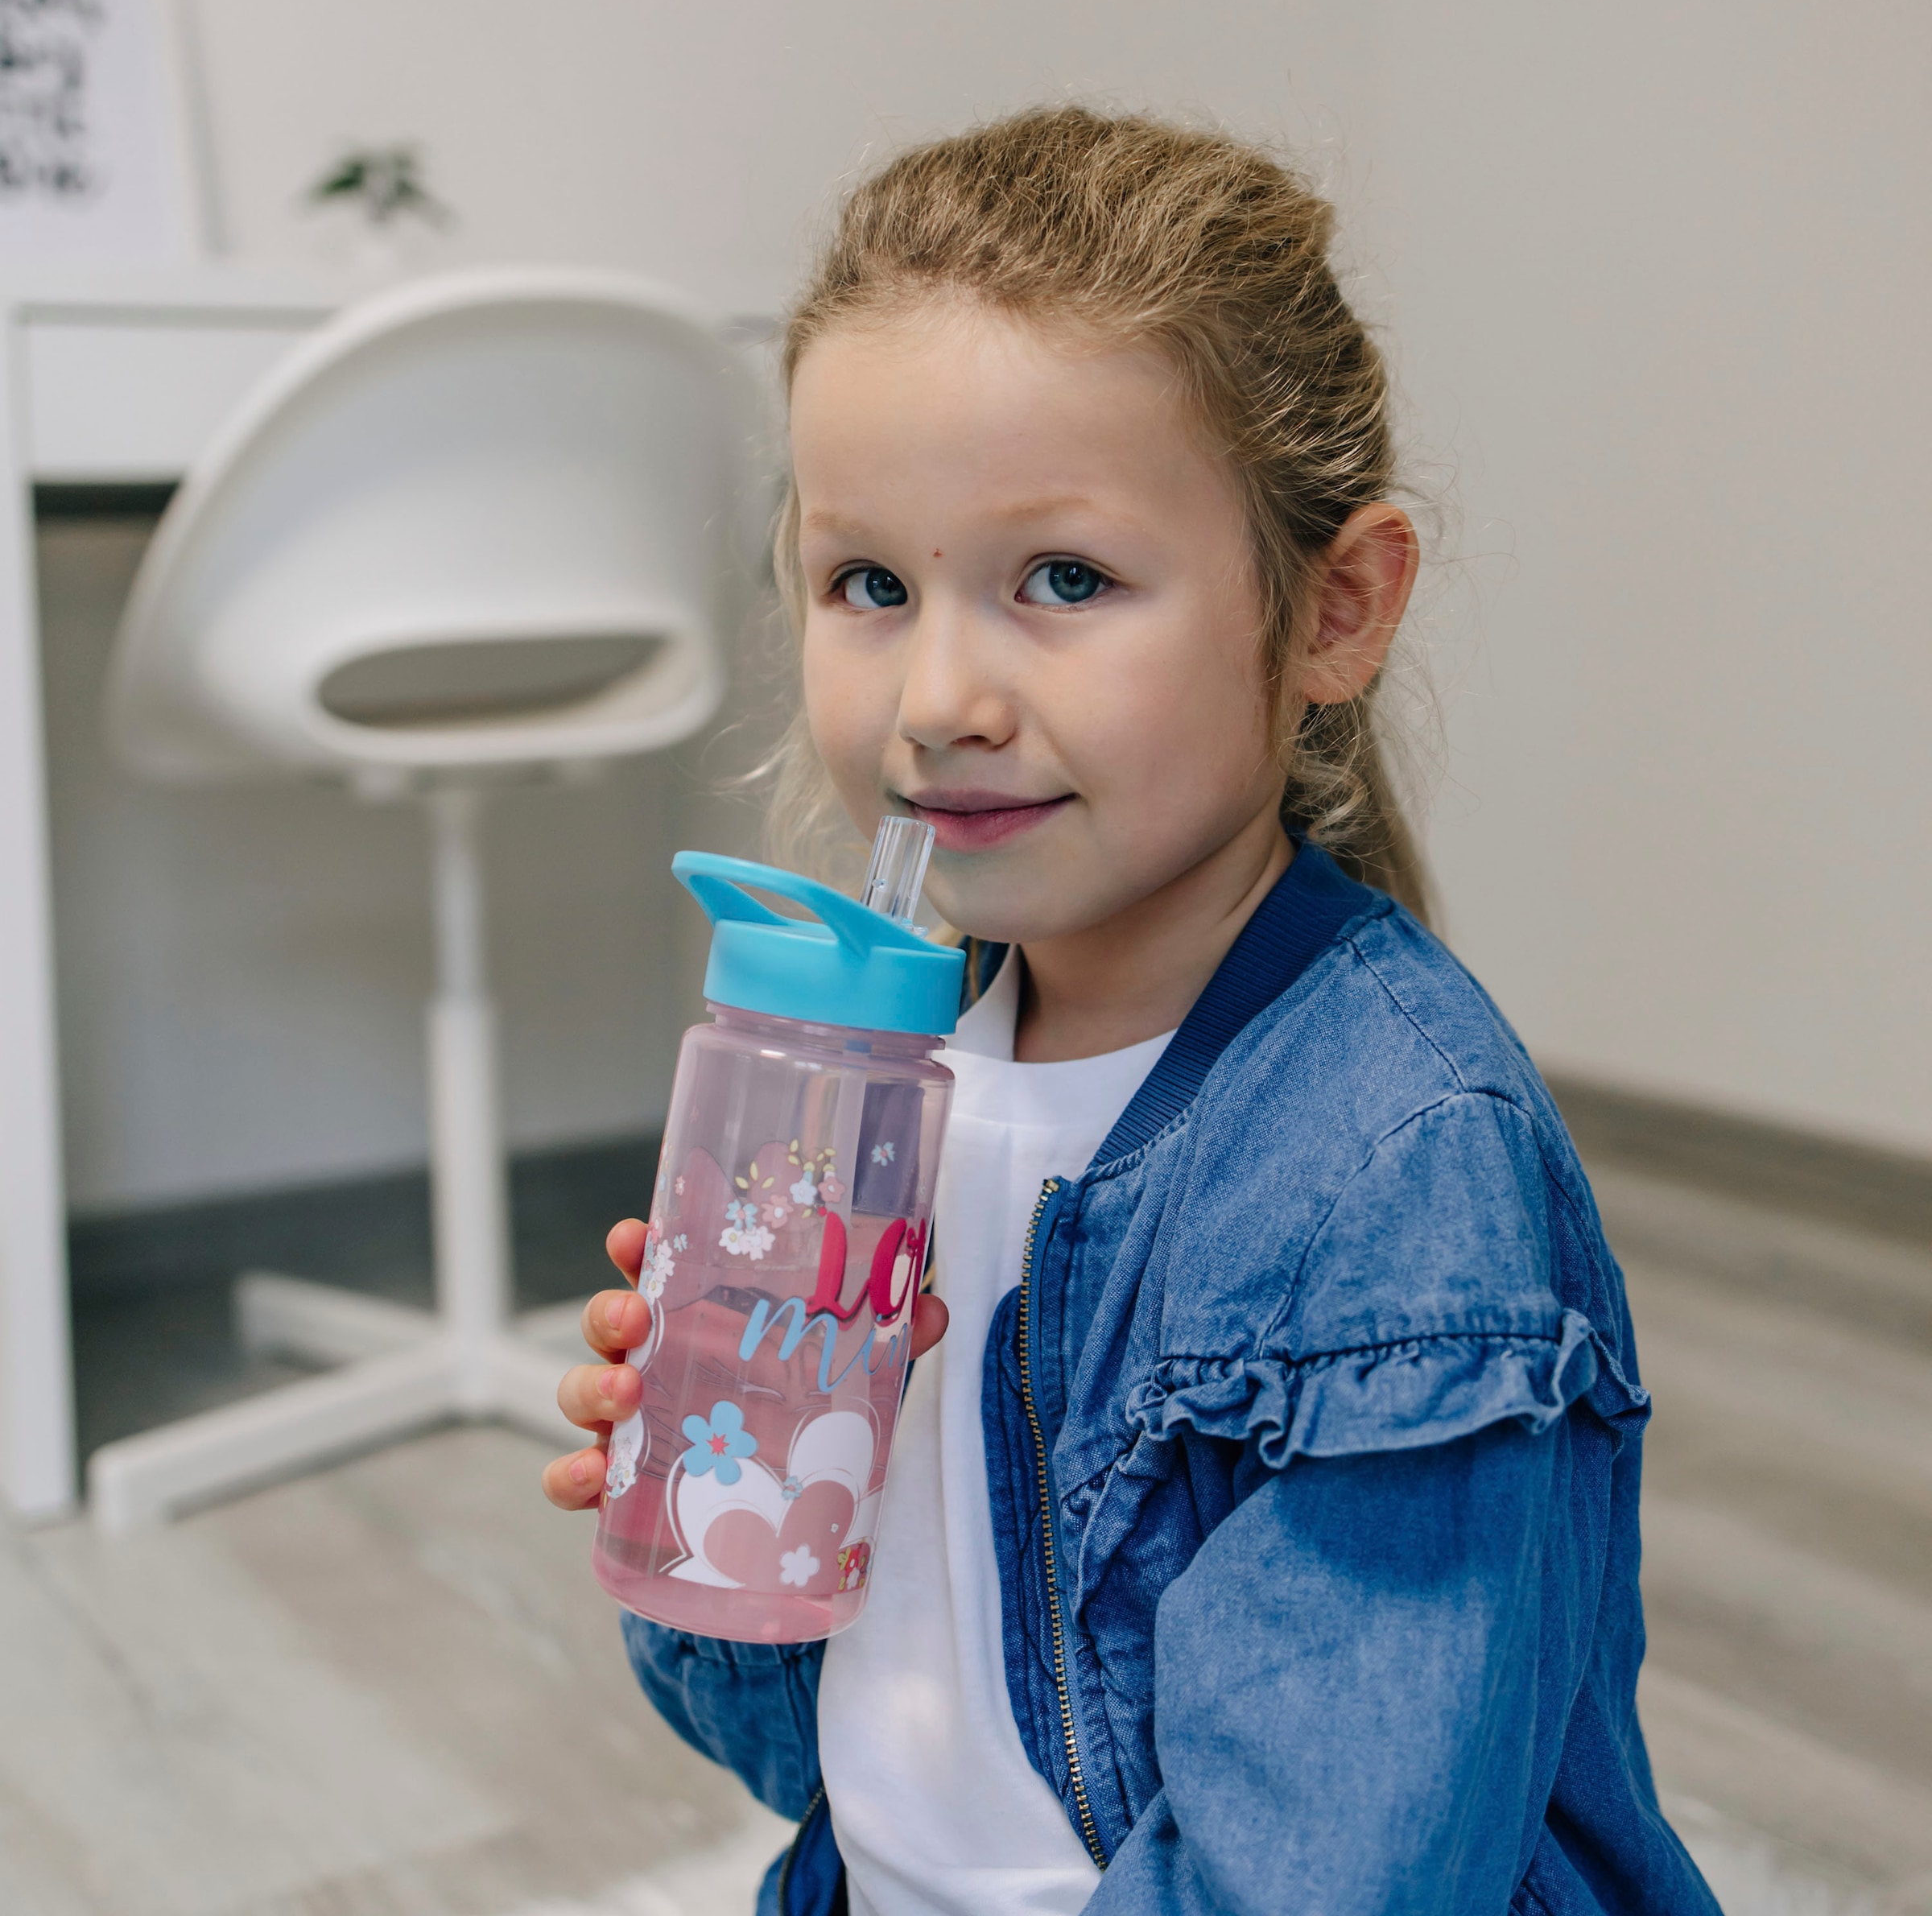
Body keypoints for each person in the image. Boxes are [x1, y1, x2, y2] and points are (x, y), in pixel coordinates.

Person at [542, 108, 1719, 1916]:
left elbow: (1329, 1875)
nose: (937, 696)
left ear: (1333, 608)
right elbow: (822, 1762)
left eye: (1064, 582)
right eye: (870, 584)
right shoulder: (886, 1090)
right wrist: (717, 1498)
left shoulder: (1396, 1176)